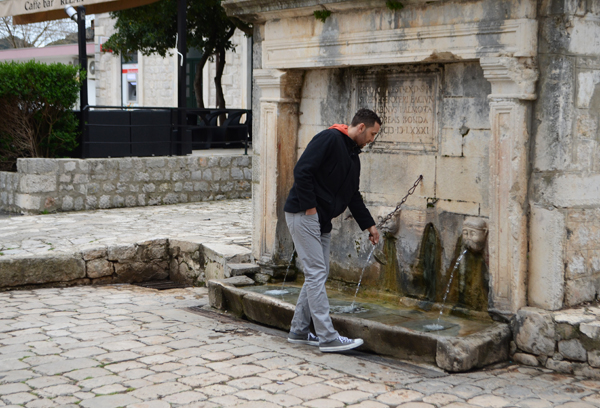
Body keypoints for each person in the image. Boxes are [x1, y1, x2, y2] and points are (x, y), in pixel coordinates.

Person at [284, 108, 381, 353]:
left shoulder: (353, 158)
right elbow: (302, 170)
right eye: (372, 133)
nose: (372, 139)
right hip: (303, 214)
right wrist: (309, 210)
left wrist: (369, 224)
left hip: (322, 221)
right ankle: (327, 337)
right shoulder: (329, 138)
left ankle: (298, 330)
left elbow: (353, 196)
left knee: (319, 272)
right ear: (361, 127)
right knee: (316, 272)